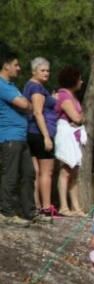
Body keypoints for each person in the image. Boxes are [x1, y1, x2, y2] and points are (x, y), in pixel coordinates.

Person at [0, 43, 36, 222]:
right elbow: (24, 105)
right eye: (16, 65)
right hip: (10, 137)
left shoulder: (12, 86)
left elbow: (26, 105)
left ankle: (29, 212)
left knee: (28, 174)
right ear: (6, 65)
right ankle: (6, 213)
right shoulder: (1, 85)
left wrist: (27, 105)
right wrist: (27, 105)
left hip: (21, 137)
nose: (19, 68)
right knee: (11, 175)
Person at [24, 57, 58, 217]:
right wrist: (46, 137)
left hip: (31, 132)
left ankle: (36, 205)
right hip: (39, 133)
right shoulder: (36, 88)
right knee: (46, 172)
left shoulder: (31, 86)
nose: (46, 73)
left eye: (47, 70)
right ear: (34, 71)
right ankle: (46, 206)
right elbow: (37, 112)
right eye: (42, 70)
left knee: (35, 171)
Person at [53, 66, 86, 216]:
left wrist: (80, 119)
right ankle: (64, 206)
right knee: (66, 169)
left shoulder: (72, 96)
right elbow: (77, 118)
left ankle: (76, 207)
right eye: (80, 79)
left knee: (75, 171)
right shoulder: (64, 96)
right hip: (66, 135)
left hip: (75, 136)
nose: (82, 81)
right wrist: (81, 119)